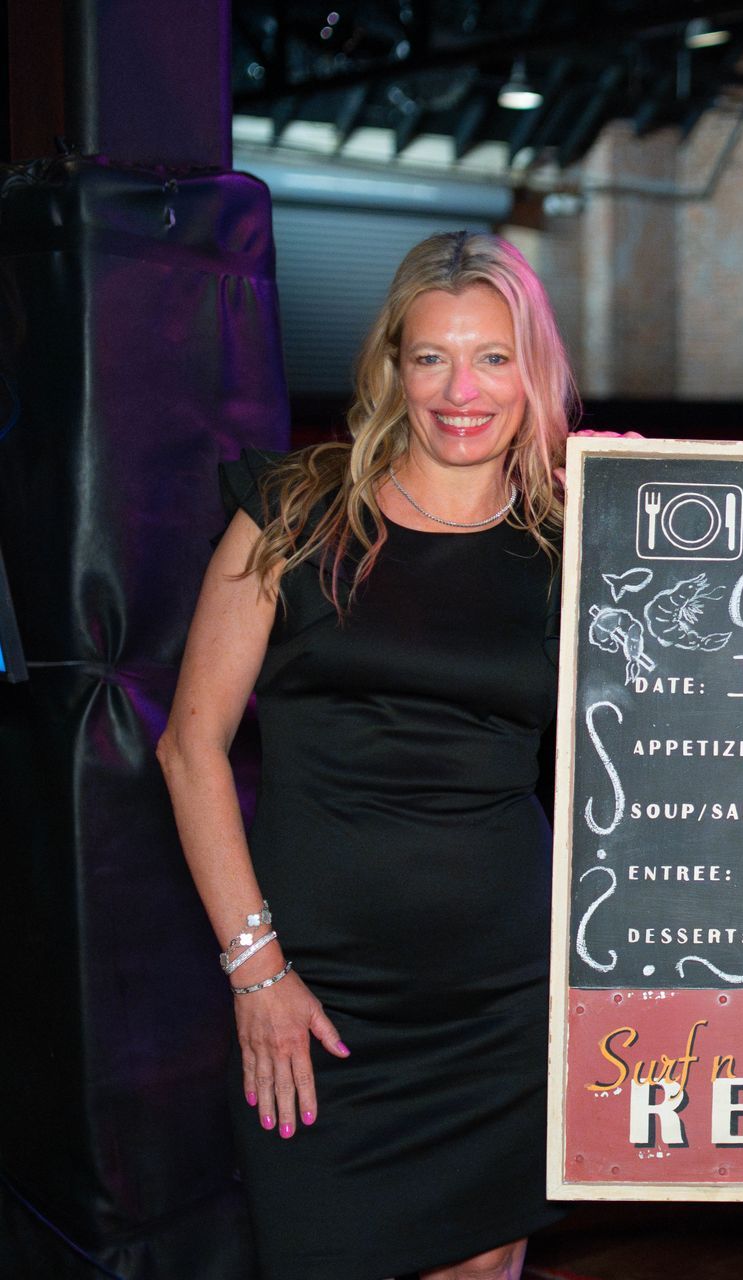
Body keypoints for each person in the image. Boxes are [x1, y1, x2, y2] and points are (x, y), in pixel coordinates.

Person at [157, 230, 576, 1280]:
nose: (460, 389)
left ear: (534, 371)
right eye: (431, 356)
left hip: (504, 997)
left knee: (483, 1268)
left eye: (492, 356)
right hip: (317, 994)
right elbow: (190, 746)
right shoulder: (296, 510)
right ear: (393, 366)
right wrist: (257, 970)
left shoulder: (575, 539)